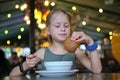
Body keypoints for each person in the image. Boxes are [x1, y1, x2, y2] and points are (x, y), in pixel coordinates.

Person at [10, 8, 102, 76]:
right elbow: (12, 75)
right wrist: (26, 64)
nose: (62, 29)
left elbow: (97, 70)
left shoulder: (75, 51)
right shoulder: (42, 53)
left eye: (66, 25)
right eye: (57, 26)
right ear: (48, 30)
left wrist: (90, 42)